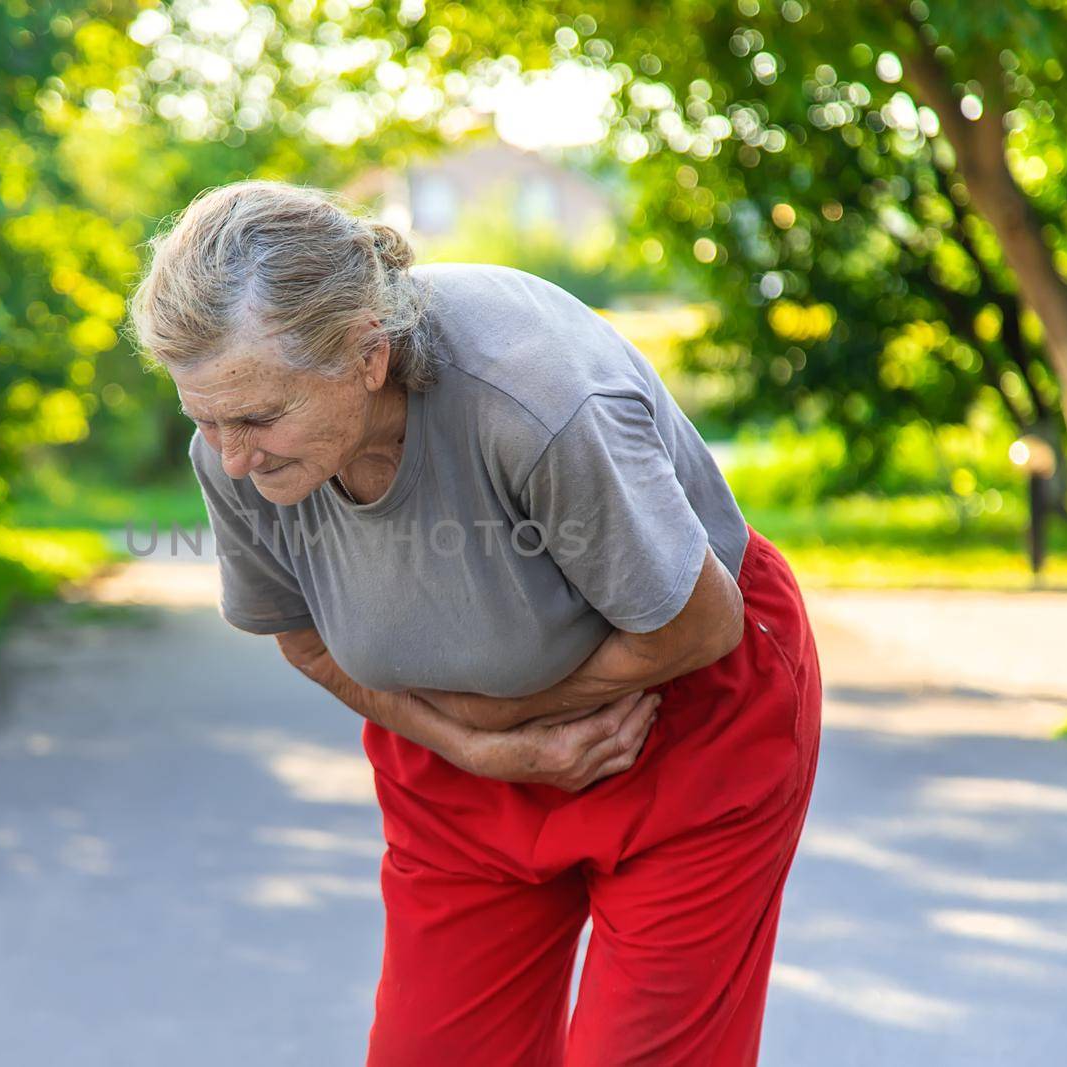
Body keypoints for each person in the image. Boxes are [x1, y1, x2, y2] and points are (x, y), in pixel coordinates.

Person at [127, 179, 823, 1067]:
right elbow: (301, 635)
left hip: (679, 724)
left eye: (260, 416)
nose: (232, 456)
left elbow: (701, 624)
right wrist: (472, 743)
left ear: (366, 356)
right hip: (452, 760)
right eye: (205, 418)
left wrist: (502, 716)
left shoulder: (534, 400)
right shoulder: (235, 450)